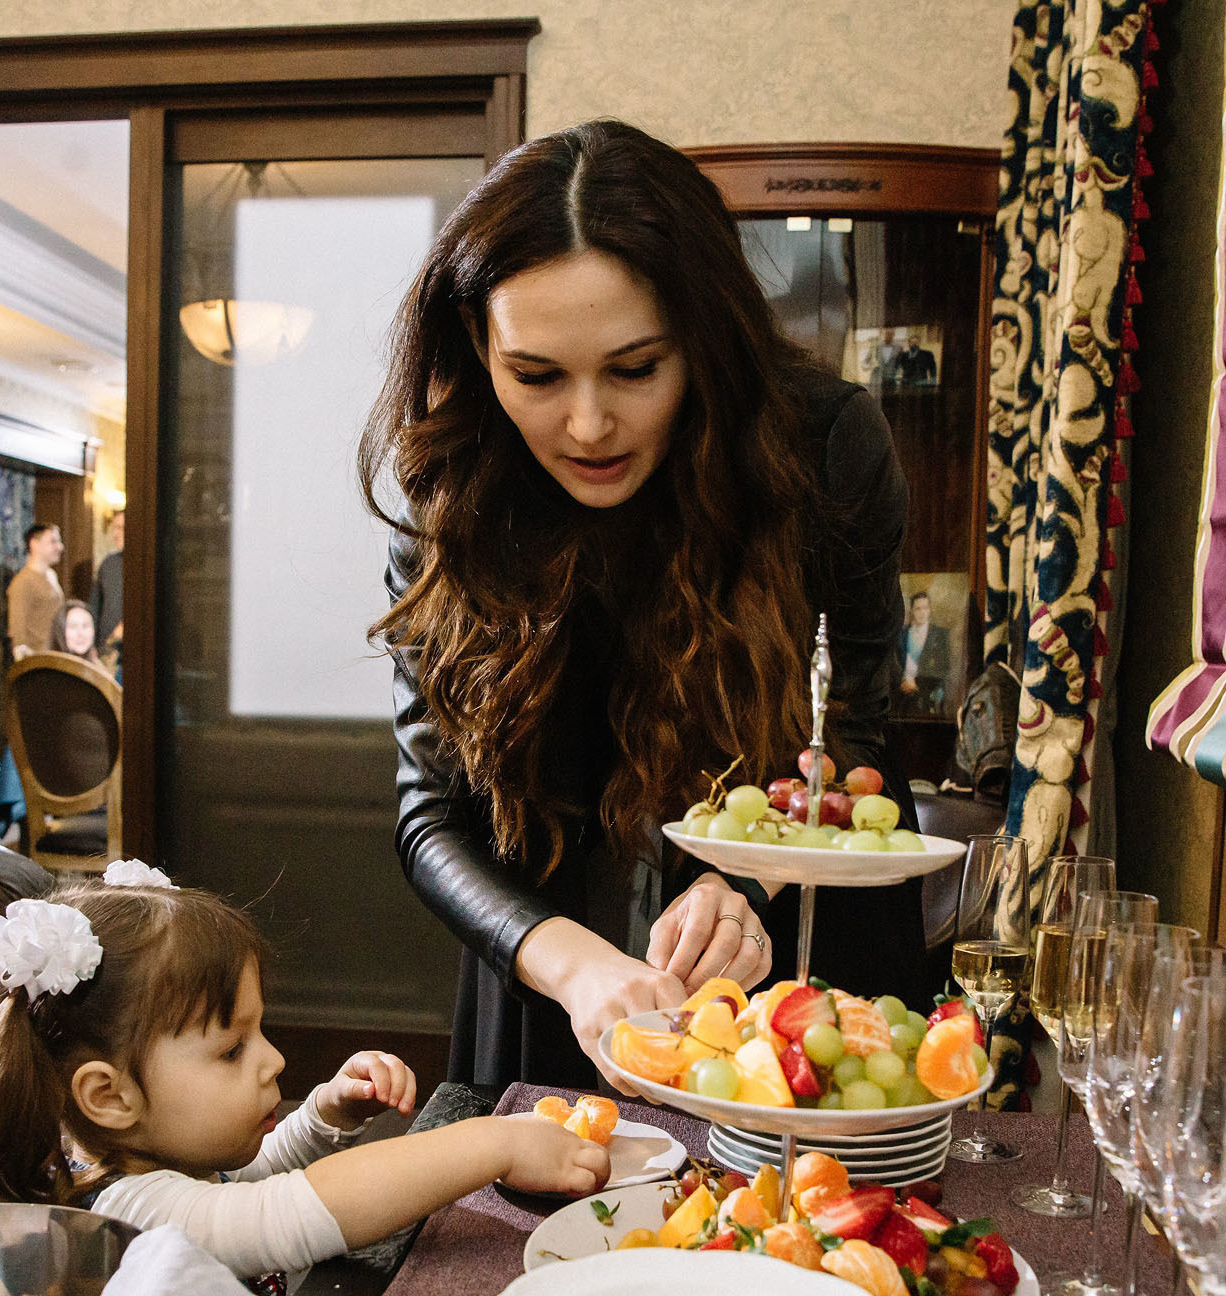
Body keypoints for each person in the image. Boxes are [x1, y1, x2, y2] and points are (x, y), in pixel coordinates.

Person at [367, 119, 926, 1091]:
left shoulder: (826, 446)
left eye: (635, 369)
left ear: (702, 342)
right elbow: (433, 818)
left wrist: (744, 879)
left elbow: (855, 731)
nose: (588, 424)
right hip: (550, 966)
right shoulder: (453, 490)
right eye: (536, 376)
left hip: (799, 939)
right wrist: (576, 963)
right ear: (477, 342)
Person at [0, 869, 609, 1282]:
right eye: (232, 1050)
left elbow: (252, 1174)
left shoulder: (165, 1162)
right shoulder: (128, 1217)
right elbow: (291, 1210)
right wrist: (496, 1143)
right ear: (109, 1095)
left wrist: (325, 1114)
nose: (273, 1061)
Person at [7, 521, 63, 661]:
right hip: (38, 660)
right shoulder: (23, 582)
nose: (60, 547)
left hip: (55, 657)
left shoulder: (51, 575)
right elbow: (18, 635)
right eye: (53, 542)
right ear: (34, 544)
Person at [899, 590, 958, 715]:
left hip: (929, 698)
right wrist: (903, 682)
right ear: (912, 611)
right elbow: (894, 664)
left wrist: (917, 685)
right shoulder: (901, 634)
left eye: (925, 608)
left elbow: (943, 669)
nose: (922, 613)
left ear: (930, 610)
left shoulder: (941, 634)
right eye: (918, 609)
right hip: (901, 698)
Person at [90, 508, 125, 652]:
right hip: (106, 648)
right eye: (114, 528)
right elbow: (95, 606)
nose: (115, 534)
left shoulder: (149, 565)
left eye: (121, 528)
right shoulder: (109, 563)